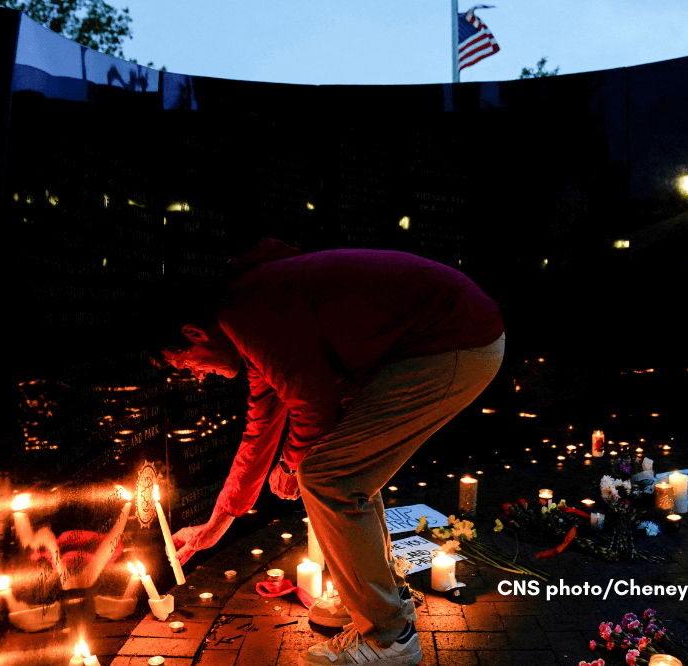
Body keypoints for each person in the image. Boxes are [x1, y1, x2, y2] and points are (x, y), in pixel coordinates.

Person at [157, 239, 504, 666]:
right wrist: (216, 524)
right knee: (342, 470)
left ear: (193, 333)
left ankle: (389, 637)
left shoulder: (247, 311)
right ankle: (379, 604)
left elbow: (313, 401)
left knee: (329, 476)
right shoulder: (251, 318)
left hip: (452, 339)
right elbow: (260, 428)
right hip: (450, 335)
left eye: (185, 363)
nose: (197, 375)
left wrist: (292, 463)